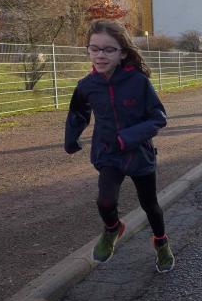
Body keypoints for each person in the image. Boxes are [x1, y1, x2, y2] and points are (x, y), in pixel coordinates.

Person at [64, 19, 175, 273]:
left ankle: (161, 242)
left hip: (139, 155)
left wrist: (127, 137)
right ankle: (113, 228)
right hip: (108, 154)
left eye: (108, 49)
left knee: (150, 205)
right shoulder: (86, 86)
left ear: (122, 53)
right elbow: (78, 113)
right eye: (94, 48)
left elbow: (158, 118)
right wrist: (71, 138)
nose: (100, 55)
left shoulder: (138, 82)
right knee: (105, 201)